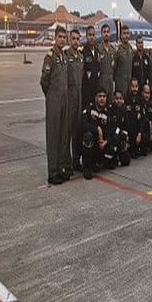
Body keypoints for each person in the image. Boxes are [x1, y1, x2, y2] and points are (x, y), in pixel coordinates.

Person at [40, 26, 69, 185]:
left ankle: (61, 168)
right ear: (55, 38)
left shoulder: (64, 56)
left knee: (63, 136)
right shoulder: (50, 56)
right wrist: (50, 96)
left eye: (64, 37)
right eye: (60, 37)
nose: (62, 40)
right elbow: (44, 80)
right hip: (54, 100)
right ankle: (52, 172)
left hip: (64, 100)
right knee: (53, 137)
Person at [65, 29, 84, 174]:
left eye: (78, 39)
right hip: (69, 99)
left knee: (77, 131)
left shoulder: (81, 57)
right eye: (73, 39)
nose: (76, 41)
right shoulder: (66, 56)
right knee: (67, 132)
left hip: (79, 98)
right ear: (69, 40)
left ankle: (76, 160)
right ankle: (67, 162)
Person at [79, 88, 109, 179]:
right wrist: (97, 128)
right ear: (95, 98)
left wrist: (106, 141)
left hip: (100, 144)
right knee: (88, 136)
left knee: (111, 149)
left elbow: (111, 129)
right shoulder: (89, 109)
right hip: (89, 143)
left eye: (104, 96)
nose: (102, 99)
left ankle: (98, 162)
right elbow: (82, 125)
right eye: (100, 96)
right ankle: (87, 168)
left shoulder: (108, 113)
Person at [107, 90, 131, 167]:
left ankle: (120, 154)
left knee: (126, 161)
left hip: (120, 136)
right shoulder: (110, 110)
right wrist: (121, 132)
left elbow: (126, 125)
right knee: (111, 163)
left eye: (120, 98)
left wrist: (126, 136)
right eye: (116, 98)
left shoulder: (124, 110)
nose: (118, 101)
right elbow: (112, 127)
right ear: (113, 99)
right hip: (111, 137)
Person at [125, 78, 146, 158]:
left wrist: (140, 133)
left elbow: (142, 118)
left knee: (144, 134)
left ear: (138, 87)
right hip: (128, 128)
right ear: (130, 87)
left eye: (136, 86)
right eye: (133, 86)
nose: (134, 89)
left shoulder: (140, 100)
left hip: (137, 128)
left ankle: (139, 148)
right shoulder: (126, 99)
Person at [81, 25, 100, 109]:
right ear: (86, 36)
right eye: (89, 35)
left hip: (96, 91)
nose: (91, 37)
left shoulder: (97, 52)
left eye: (93, 35)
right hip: (86, 91)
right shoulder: (82, 53)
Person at [114, 24, 133, 97]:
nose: (126, 36)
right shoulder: (118, 49)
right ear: (121, 35)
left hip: (129, 83)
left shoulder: (130, 48)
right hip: (120, 83)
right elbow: (114, 67)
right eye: (124, 33)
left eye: (128, 33)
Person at [98, 23, 115, 102]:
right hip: (101, 82)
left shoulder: (113, 50)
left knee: (110, 104)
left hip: (111, 83)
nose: (106, 34)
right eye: (104, 32)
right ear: (101, 34)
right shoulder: (98, 49)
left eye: (108, 32)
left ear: (110, 33)